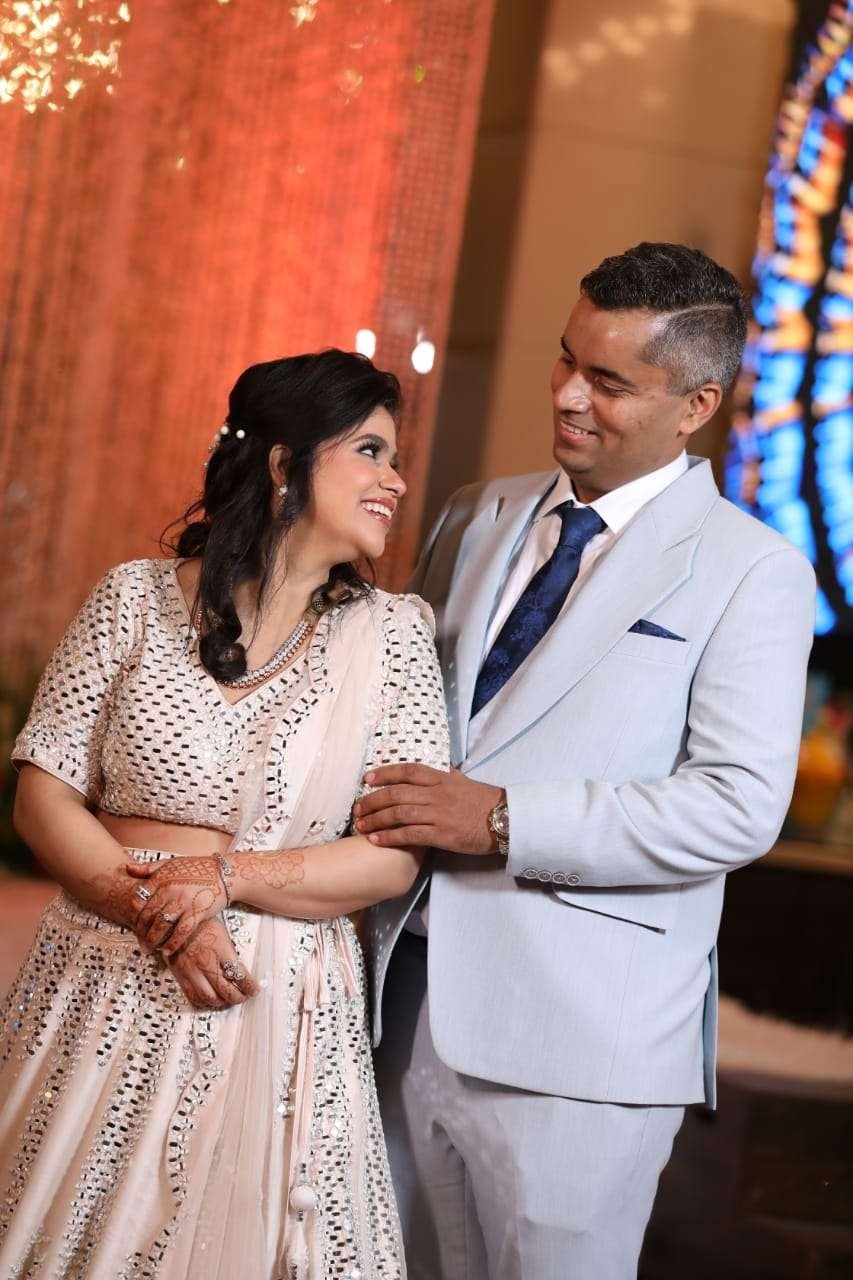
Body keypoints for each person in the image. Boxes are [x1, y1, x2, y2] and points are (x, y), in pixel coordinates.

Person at [359, 243, 817, 1279]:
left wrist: (502, 818)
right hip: (395, 997)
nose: (567, 394)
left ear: (695, 405)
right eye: (566, 359)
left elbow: (735, 807)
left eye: (607, 381)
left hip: (579, 1046)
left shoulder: (754, 570)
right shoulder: (473, 513)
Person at [0, 349, 449, 1279]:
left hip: (270, 1002)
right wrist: (157, 914)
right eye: (369, 451)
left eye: (396, 458)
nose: (396, 481)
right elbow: (44, 796)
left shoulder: (393, 635)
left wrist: (223, 880)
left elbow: (389, 856)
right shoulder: (131, 599)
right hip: (102, 980)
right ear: (285, 464)